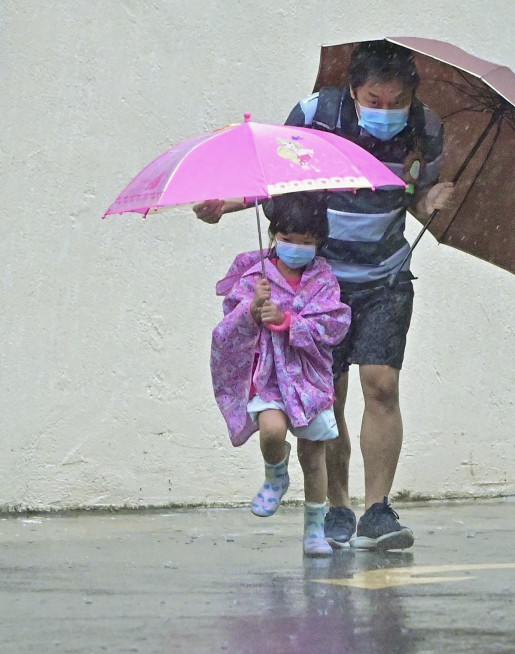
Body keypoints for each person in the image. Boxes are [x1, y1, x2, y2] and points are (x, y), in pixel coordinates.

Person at [196, 40, 455, 552]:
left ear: (411, 95)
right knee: (327, 396)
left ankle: (377, 511)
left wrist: (428, 199)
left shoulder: (426, 127)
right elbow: (281, 174)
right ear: (354, 91)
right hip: (321, 285)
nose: (386, 112)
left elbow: (416, 194)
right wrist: (227, 204)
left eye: (396, 101)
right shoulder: (318, 114)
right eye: (374, 101)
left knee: (381, 386)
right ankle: (338, 508)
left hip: (385, 275)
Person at [210, 193, 351, 557]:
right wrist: (253, 310)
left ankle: (315, 530)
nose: (296, 248)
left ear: (319, 242)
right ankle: (276, 472)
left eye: (306, 242)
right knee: (272, 430)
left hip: (310, 381)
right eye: (288, 239)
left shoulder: (323, 278)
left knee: (314, 456)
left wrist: (290, 322)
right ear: (274, 234)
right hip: (271, 376)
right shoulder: (255, 276)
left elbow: (334, 323)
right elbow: (230, 322)